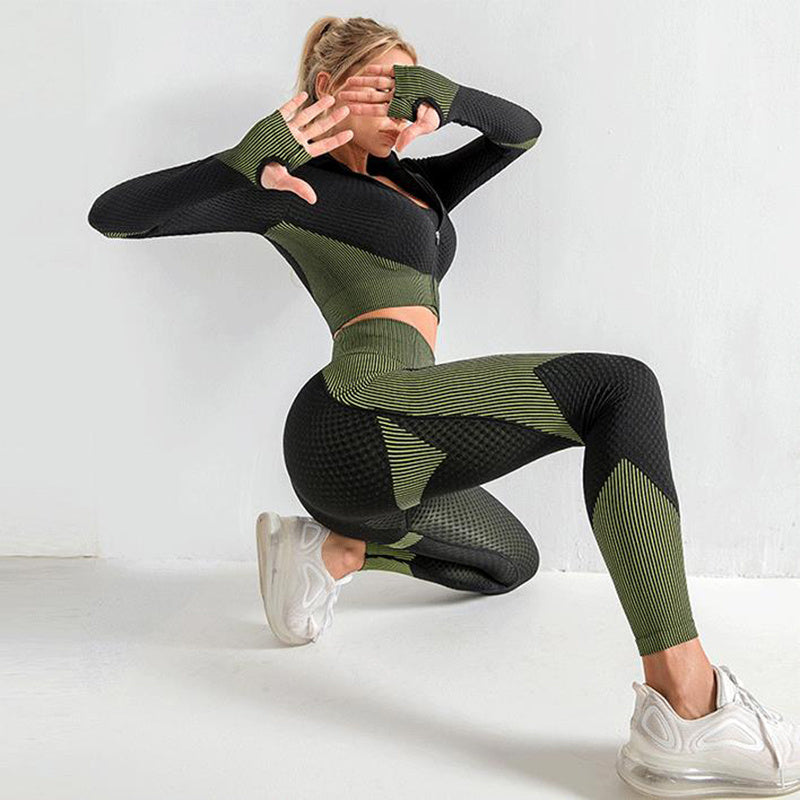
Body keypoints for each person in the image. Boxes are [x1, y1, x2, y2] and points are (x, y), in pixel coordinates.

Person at [87, 15, 800, 798]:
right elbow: (117, 215)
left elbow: (519, 133)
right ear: (326, 89)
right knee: (618, 389)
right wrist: (242, 160)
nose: (402, 113)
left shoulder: (419, 185)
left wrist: (447, 99)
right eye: (384, 91)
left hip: (394, 452)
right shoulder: (296, 187)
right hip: (350, 418)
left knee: (510, 563)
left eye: (409, 91)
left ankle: (330, 551)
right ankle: (687, 704)